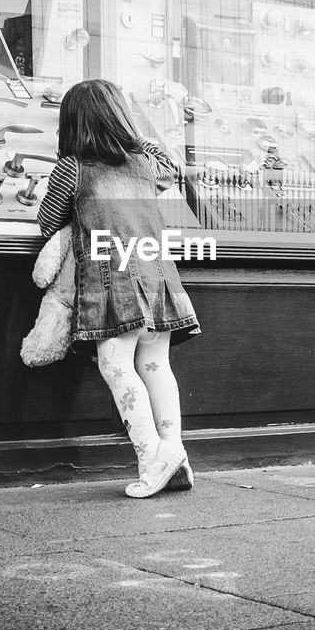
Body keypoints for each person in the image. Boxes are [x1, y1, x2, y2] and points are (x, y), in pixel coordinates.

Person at [36, 79, 200, 498]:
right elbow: (172, 167)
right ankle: (175, 454)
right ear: (120, 116)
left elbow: (46, 222)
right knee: (156, 366)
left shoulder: (72, 168)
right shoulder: (144, 161)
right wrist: (133, 133)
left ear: (70, 122)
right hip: (158, 275)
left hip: (113, 281)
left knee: (115, 365)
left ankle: (153, 460)